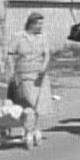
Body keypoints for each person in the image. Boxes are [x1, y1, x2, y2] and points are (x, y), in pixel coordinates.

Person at [6, 13, 52, 146]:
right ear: (31, 24)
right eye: (38, 24)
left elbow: (47, 54)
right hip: (24, 74)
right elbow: (10, 54)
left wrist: (44, 67)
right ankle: (29, 130)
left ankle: (33, 129)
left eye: (42, 23)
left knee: (38, 105)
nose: (41, 26)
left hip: (39, 75)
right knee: (28, 104)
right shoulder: (19, 36)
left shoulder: (43, 37)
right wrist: (12, 71)